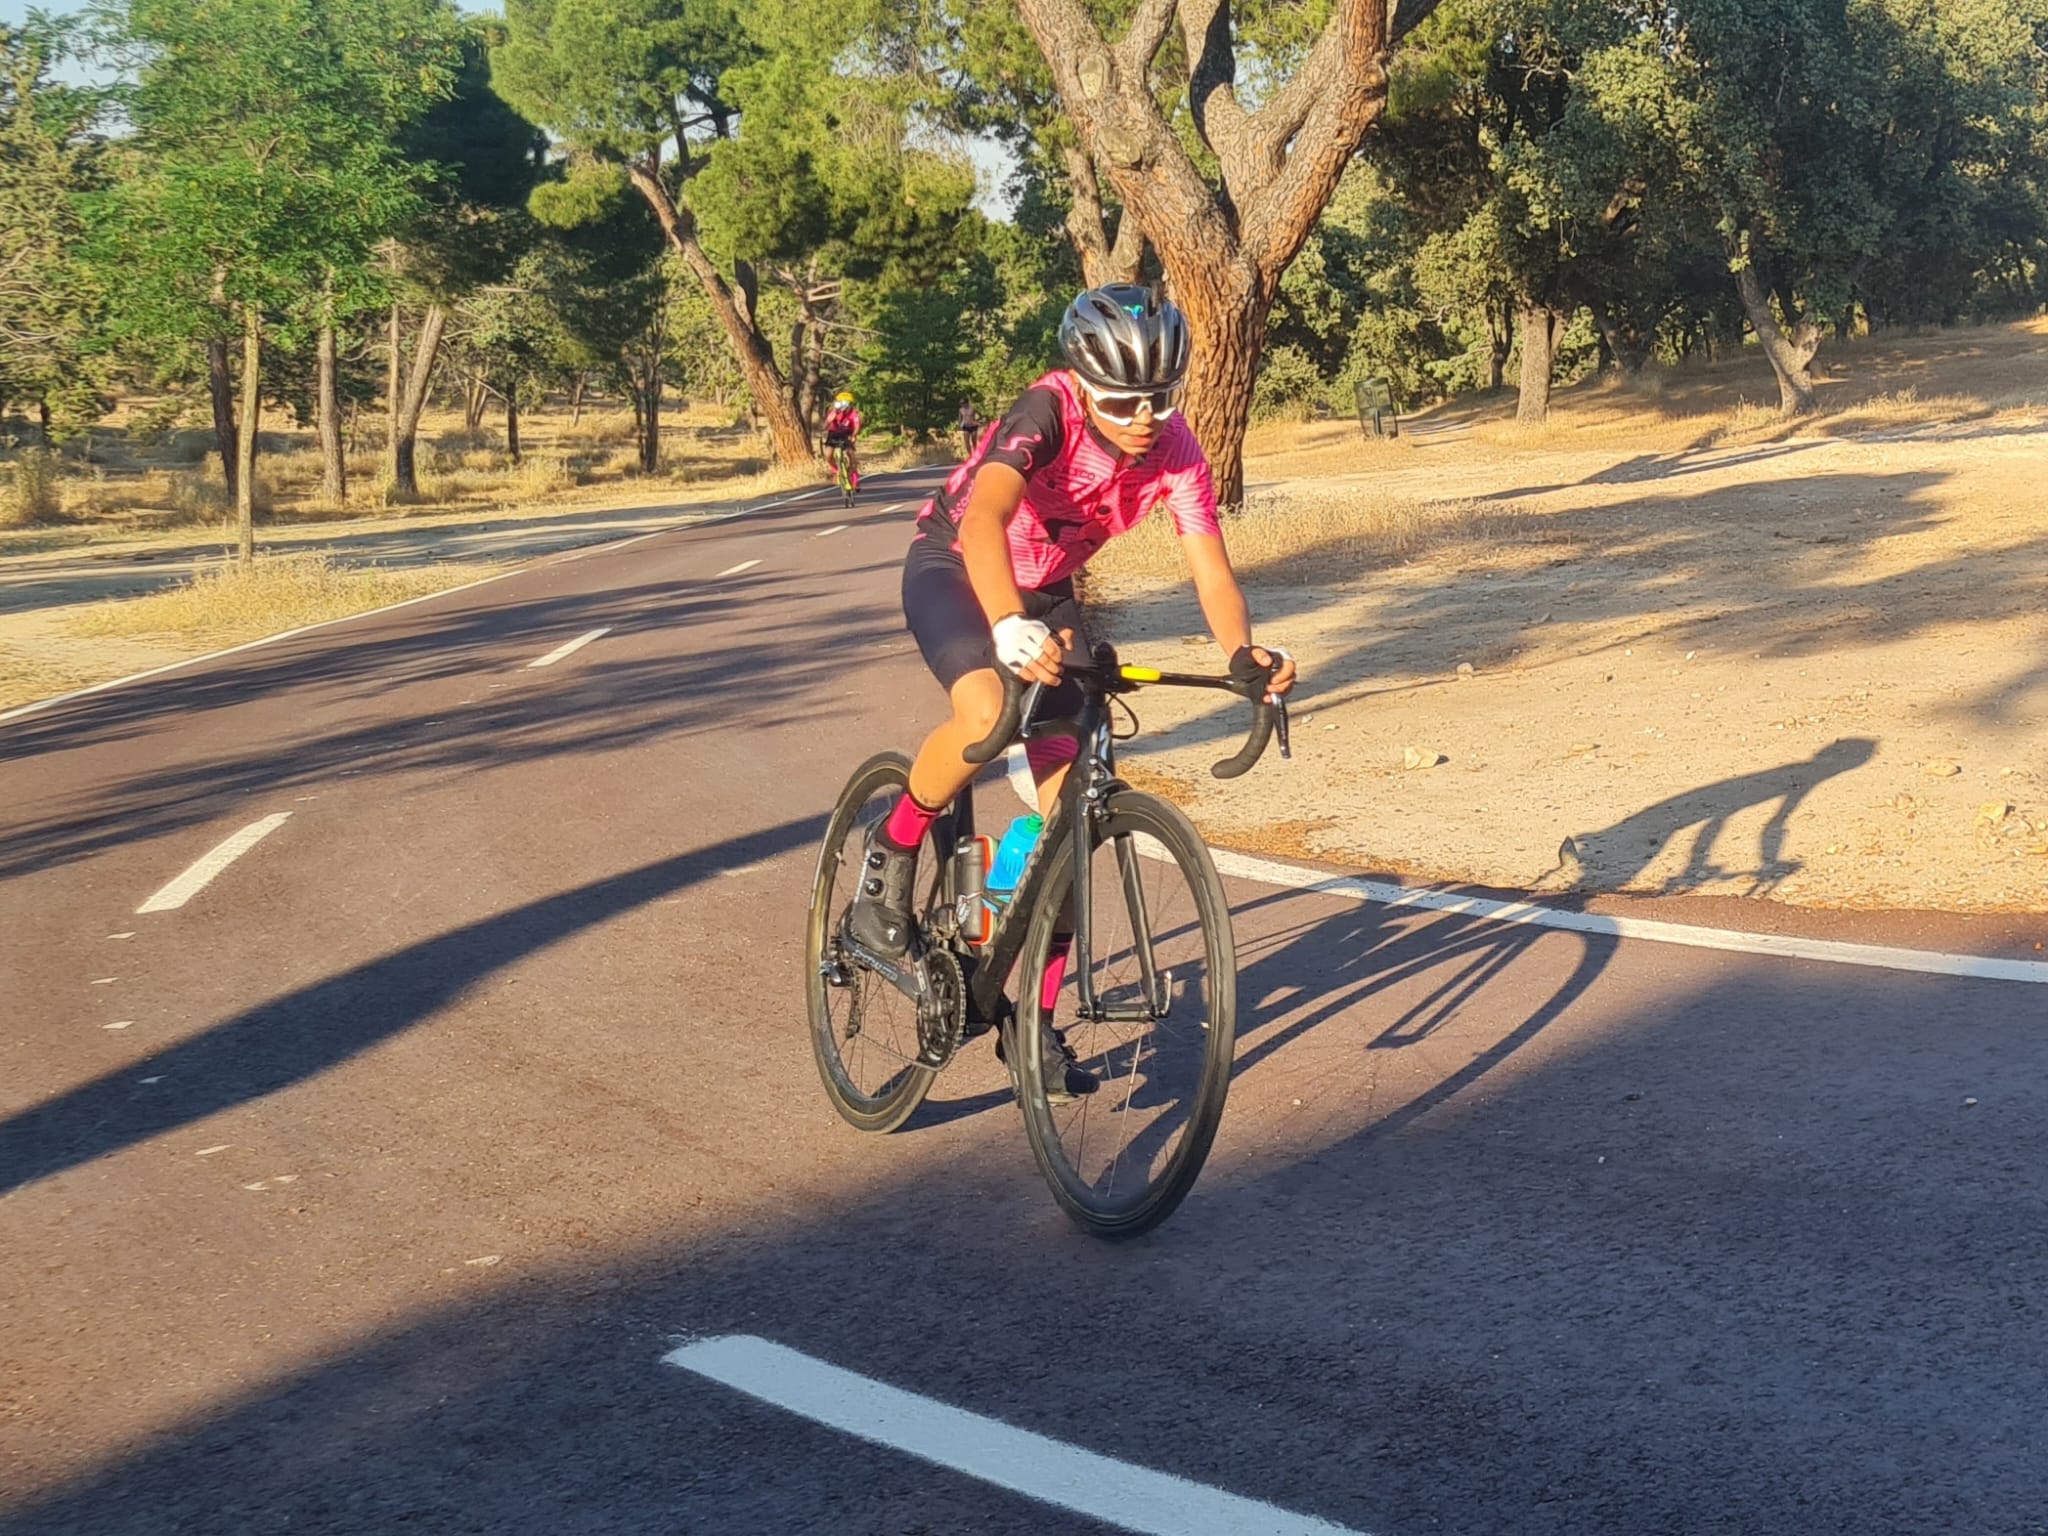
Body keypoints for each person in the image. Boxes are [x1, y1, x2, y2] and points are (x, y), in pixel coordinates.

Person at [845, 283, 1298, 1098]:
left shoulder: (1178, 452)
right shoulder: (1044, 413)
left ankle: (1033, 1023)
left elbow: (1210, 567)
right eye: (1124, 401)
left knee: (1069, 824)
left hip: (1051, 595)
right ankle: (894, 845)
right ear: (1084, 385)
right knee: (985, 713)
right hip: (956, 565)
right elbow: (985, 520)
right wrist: (1007, 624)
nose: (1145, 417)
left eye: (1161, 398)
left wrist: (1243, 653)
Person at [822, 390, 862, 489]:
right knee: (828, 455)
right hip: (834, 434)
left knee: (851, 454)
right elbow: (826, 424)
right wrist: (829, 421)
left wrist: (853, 435)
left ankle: (854, 476)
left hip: (847, 434)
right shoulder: (834, 411)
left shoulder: (854, 413)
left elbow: (857, 426)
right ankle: (836, 470)